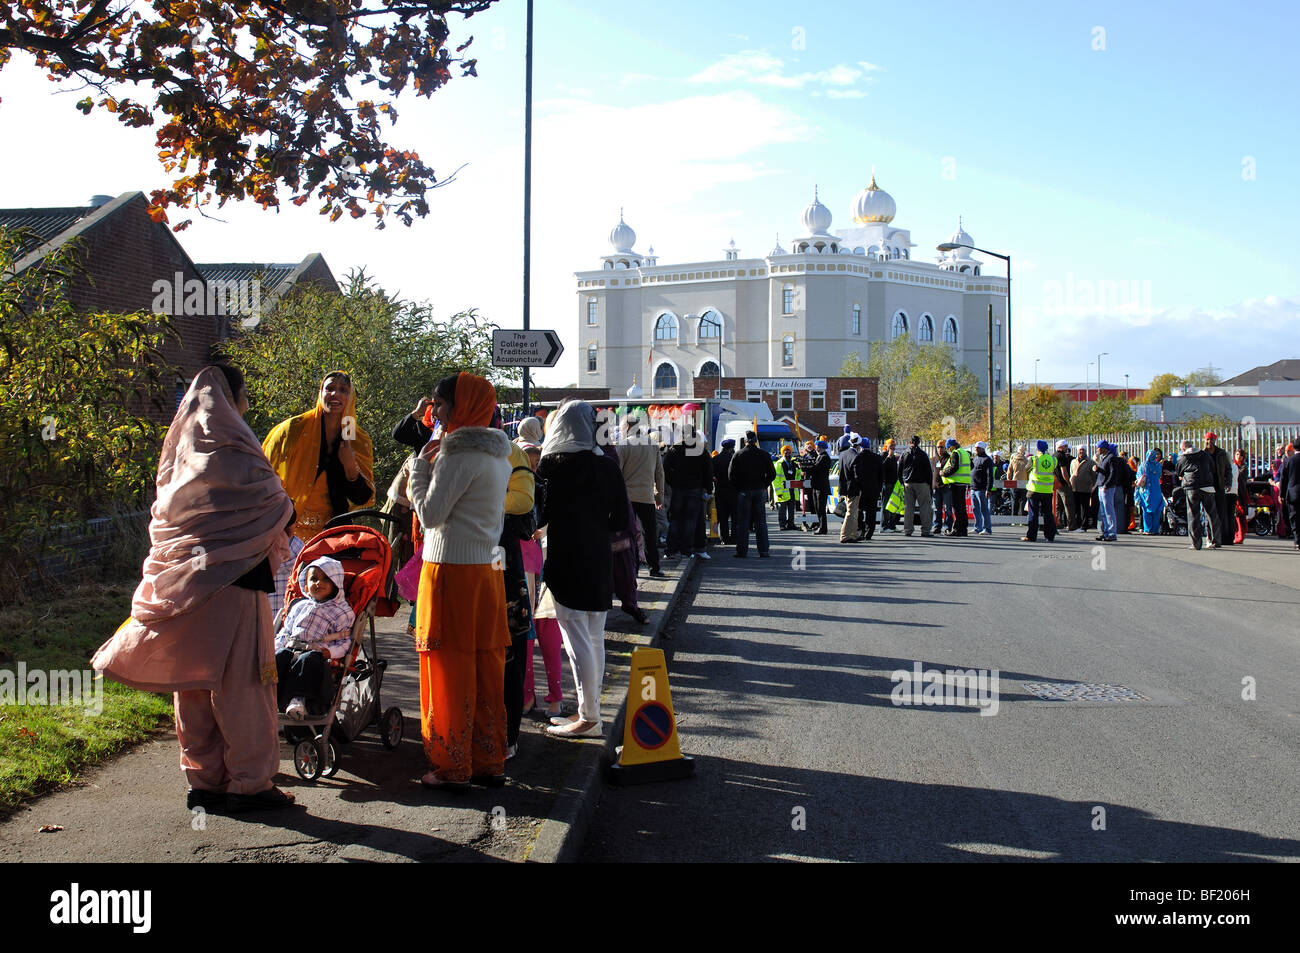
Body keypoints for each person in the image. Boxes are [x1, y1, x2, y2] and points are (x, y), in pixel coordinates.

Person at [92, 364, 297, 813]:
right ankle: (250, 785)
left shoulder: (180, 452)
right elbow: (277, 506)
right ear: (233, 397)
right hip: (238, 582)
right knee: (244, 684)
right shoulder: (238, 446)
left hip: (186, 583)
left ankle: (203, 783)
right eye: (243, 395)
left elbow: (169, 516)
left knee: (194, 682)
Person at [408, 372, 512, 789]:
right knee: (486, 663)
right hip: (487, 572)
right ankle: (488, 759)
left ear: (461, 405)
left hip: (449, 569)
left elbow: (430, 515)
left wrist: (418, 468)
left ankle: (451, 764)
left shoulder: (454, 454)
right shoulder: (499, 456)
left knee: (449, 665)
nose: (436, 411)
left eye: (441, 402)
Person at [537, 401, 630, 738]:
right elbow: (622, 520)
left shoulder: (551, 465)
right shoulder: (607, 466)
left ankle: (588, 717)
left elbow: (539, 517)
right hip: (599, 558)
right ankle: (589, 713)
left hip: (566, 558)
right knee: (593, 637)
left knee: (576, 641)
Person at [263, 371, 374, 543]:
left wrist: (350, 468)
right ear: (320, 393)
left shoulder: (354, 437)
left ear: (350, 397)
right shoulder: (293, 430)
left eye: (343, 390)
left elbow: (362, 497)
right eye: (329, 388)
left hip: (332, 535)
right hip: (287, 529)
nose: (335, 394)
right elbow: (265, 478)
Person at [274, 556, 354, 720]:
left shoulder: (341, 612)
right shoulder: (300, 606)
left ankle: (298, 699)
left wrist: (330, 652)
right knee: (278, 657)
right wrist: (276, 646)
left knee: (307, 660)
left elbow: (344, 642)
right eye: (314, 579)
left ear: (336, 584)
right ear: (306, 585)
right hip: (291, 647)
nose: (318, 583)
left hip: (316, 654)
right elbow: (286, 631)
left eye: (326, 579)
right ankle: (268, 695)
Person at [618, 415, 665, 576]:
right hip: (647, 496)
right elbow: (659, 473)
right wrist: (659, 496)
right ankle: (655, 567)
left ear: (627, 427)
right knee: (649, 533)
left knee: (629, 534)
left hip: (627, 498)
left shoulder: (623, 446)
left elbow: (618, 473)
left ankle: (634, 568)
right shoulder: (652, 445)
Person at [662, 420, 713, 559]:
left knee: (675, 519)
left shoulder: (674, 449)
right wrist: (708, 488)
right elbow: (708, 471)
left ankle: (671, 549)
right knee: (691, 521)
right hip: (695, 489)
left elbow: (665, 469)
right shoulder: (700, 450)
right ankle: (686, 550)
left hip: (678, 488)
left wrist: (673, 482)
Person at [730, 431, 776, 557]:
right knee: (761, 522)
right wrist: (764, 485)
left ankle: (742, 551)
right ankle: (764, 550)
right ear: (756, 441)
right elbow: (772, 474)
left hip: (744, 490)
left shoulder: (738, 454)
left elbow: (731, 475)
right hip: (759, 490)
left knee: (743, 522)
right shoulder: (764, 454)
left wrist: (739, 487)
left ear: (745, 441)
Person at [1175, 438, 1222, 551]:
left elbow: (1178, 472)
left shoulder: (1183, 457)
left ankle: (1196, 543)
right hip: (1208, 486)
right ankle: (1215, 540)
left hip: (1192, 487)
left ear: (1183, 448)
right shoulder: (1205, 455)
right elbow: (1212, 468)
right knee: (1212, 514)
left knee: (1193, 515)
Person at [1021, 439, 1057, 543]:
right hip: (1047, 491)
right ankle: (1050, 536)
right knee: (1048, 514)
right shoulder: (1053, 460)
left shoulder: (1034, 459)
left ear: (1037, 449)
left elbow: (1026, 469)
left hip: (1034, 490)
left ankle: (1031, 536)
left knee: (1033, 514)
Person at [900, 436, 933, 536]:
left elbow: (900, 469)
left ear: (910, 442)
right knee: (925, 507)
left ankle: (908, 530)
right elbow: (928, 471)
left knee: (908, 507)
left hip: (908, 483)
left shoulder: (905, 454)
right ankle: (926, 530)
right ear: (919, 442)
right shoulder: (923, 454)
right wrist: (929, 484)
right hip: (922, 483)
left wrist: (902, 481)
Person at [851, 437, 883, 542]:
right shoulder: (877, 458)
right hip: (873, 490)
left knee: (859, 511)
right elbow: (881, 476)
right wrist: (878, 488)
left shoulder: (858, 457)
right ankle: (870, 532)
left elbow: (856, 475)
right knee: (871, 512)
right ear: (869, 446)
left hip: (861, 490)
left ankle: (861, 530)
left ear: (860, 446)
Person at [1204, 432, 1232, 545]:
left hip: (1219, 487)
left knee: (1220, 514)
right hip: (1207, 487)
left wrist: (1228, 483)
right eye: (1207, 440)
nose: (1209, 442)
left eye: (1211, 440)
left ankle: (1217, 539)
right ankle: (1209, 538)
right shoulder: (1203, 454)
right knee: (1208, 514)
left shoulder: (1221, 453)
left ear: (1215, 441)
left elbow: (1228, 469)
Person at [940, 438, 971, 536]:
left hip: (956, 483)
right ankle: (963, 529)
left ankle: (957, 529)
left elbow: (954, 467)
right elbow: (971, 465)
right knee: (962, 507)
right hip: (963, 483)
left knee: (956, 508)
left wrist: (943, 473)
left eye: (948, 447)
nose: (948, 450)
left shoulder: (955, 453)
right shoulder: (965, 453)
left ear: (952, 446)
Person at [1093, 440, 1121, 542]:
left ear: (1103, 448)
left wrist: (1106, 485)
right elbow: (1104, 472)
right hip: (1101, 486)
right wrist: (1098, 469)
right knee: (1103, 512)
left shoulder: (1111, 458)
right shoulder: (1103, 458)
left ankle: (1112, 533)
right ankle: (1105, 532)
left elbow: (1113, 473)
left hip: (1107, 487)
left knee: (1109, 511)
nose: (1097, 450)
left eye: (1098, 448)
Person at [711, 437, 738, 544]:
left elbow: (711, 475)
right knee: (735, 516)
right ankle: (734, 537)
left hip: (720, 491)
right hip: (733, 491)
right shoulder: (734, 459)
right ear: (731, 448)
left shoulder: (716, 459)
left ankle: (724, 538)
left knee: (722, 516)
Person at [836, 434, 861, 543]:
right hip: (853, 488)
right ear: (858, 444)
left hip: (844, 487)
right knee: (851, 512)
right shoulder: (856, 456)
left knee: (853, 511)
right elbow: (857, 475)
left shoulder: (843, 454)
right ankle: (845, 535)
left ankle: (853, 534)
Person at [1134, 449, 1166, 534]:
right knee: (1156, 511)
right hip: (1156, 489)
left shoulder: (1144, 465)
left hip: (1146, 490)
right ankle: (1155, 529)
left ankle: (1147, 529)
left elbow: (1139, 476)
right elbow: (1159, 475)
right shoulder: (1158, 465)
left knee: (1146, 510)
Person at [772, 444, 801, 531]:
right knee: (782, 509)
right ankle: (782, 525)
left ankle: (791, 524)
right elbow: (775, 479)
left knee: (792, 508)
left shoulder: (794, 463)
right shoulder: (778, 464)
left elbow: (798, 474)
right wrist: (778, 492)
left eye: (789, 452)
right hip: (782, 490)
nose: (787, 454)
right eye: (785, 452)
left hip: (792, 489)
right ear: (782, 453)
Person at [807, 439, 833, 535]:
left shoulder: (824, 457)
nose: (816, 448)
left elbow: (815, 469)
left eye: (817, 446)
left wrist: (804, 468)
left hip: (821, 487)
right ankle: (821, 526)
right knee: (817, 508)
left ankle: (823, 528)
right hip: (817, 486)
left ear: (821, 447)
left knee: (820, 508)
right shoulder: (820, 457)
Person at [1069, 445, 1095, 532]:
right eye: (1080, 450)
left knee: (1085, 508)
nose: (1081, 452)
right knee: (1076, 508)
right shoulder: (1073, 462)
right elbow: (1071, 473)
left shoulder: (1091, 462)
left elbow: (1094, 476)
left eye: (1083, 450)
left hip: (1085, 489)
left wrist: (1092, 486)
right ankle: (1077, 524)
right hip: (1075, 488)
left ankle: (1084, 526)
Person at [970, 441, 994, 535]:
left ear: (982, 449)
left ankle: (987, 528)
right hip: (974, 488)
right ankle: (977, 527)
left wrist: (989, 489)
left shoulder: (987, 460)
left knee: (984, 509)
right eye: (975, 448)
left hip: (982, 488)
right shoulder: (975, 459)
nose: (976, 449)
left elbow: (990, 476)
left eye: (978, 448)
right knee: (975, 508)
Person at [1053, 439, 1076, 533]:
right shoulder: (1061, 456)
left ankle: (1058, 523)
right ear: (1060, 447)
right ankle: (1072, 526)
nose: (1067, 448)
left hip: (1056, 483)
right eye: (1065, 446)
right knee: (1069, 504)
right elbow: (1064, 471)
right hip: (1063, 483)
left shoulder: (1053, 455)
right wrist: (1068, 482)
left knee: (1058, 505)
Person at [1228, 447, 1249, 544]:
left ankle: (1241, 535)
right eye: (1237, 454)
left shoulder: (1244, 467)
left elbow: (1240, 477)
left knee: (1240, 515)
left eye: (1240, 455)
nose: (1238, 457)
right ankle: (1236, 535)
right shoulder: (1232, 466)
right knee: (1235, 515)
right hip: (1233, 492)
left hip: (1241, 493)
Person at [880, 440, 901, 532]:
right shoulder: (883, 455)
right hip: (886, 484)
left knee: (893, 505)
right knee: (885, 505)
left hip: (894, 484)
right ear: (886, 446)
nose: (892, 447)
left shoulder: (893, 457)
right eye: (891, 445)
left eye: (894, 445)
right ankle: (884, 526)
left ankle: (892, 525)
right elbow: (882, 468)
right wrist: (889, 457)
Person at [1007, 444, 1030, 515]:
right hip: (1024, 483)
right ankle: (1022, 519)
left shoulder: (1013, 460)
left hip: (1014, 483)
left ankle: (1014, 519)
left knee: (1014, 501)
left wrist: (1009, 481)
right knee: (1023, 501)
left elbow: (1009, 472)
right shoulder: (1026, 461)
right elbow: (1028, 472)